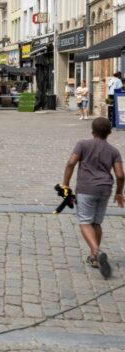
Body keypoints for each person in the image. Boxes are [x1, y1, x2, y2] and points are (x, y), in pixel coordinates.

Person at [61, 118, 125, 279]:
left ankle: (96, 251)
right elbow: (120, 175)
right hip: (105, 190)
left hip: (86, 188)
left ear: (92, 131)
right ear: (109, 133)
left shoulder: (82, 145)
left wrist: (65, 184)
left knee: (85, 221)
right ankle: (94, 258)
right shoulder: (113, 151)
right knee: (96, 223)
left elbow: (71, 163)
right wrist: (119, 192)